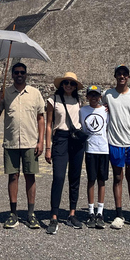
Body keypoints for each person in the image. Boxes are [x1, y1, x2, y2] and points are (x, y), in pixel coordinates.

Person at [0, 62, 46, 230]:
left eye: (22, 72)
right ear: (12, 74)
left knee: (30, 176)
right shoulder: (5, 93)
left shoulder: (35, 94)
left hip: (30, 141)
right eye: (16, 72)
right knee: (13, 176)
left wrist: (41, 141)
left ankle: (31, 213)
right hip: (12, 142)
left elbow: (40, 118)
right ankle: (13, 213)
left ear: (26, 74)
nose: (19, 75)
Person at [103, 64, 130, 230]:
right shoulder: (107, 95)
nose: (122, 77)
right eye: (119, 74)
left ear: (128, 77)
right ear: (115, 77)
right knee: (118, 177)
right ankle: (119, 214)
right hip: (114, 142)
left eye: (124, 74)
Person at [45, 72, 85, 234]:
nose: (68, 85)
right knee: (59, 177)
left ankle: (72, 213)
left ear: (75, 86)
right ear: (61, 84)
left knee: (74, 177)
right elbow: (48, 124)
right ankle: (54, 215)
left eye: (72, 83)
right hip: (60, 138)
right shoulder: (52, 100)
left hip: (76, 140)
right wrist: (48, 147)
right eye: (66, 82)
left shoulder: (79, 101)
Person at [80, 85, 109, 229]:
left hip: (103, 149)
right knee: (91, 180)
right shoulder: (83, 110)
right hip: (90, 149)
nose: (93, 98)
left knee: (101, 180)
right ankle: (91, 211)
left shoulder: (105, 110)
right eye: (91, 95)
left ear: (100, 97)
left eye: (96, 95)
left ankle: (100, 211)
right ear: (87, 97)